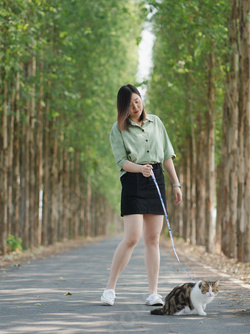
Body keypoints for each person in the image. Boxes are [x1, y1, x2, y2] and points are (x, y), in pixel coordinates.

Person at [101, 84, 182, 306]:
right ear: (123, 108)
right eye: (129, 105)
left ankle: (153, 293)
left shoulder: (156, 122)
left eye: (137, 100)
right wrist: (140, 168)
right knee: (132, 237)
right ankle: (110, 289)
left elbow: (166, 155)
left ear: (141, 99)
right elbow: (121, 162)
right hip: (133, 181)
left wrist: (176, 184)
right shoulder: (117, 129)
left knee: (153, 238)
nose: (135, 106)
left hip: (156, 178)